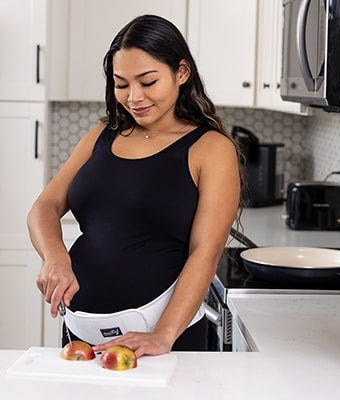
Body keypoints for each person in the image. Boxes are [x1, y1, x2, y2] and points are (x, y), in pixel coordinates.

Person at [27, 14, 241, 357]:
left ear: (181, 73)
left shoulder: (211, 149)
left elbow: (206, 251)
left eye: (148, 81)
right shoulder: (100, 136)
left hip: (162, 341)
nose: (134, 97)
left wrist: (163, 335)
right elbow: (45, 207)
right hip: (80, 336)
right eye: (121, 83)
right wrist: (55, 258)